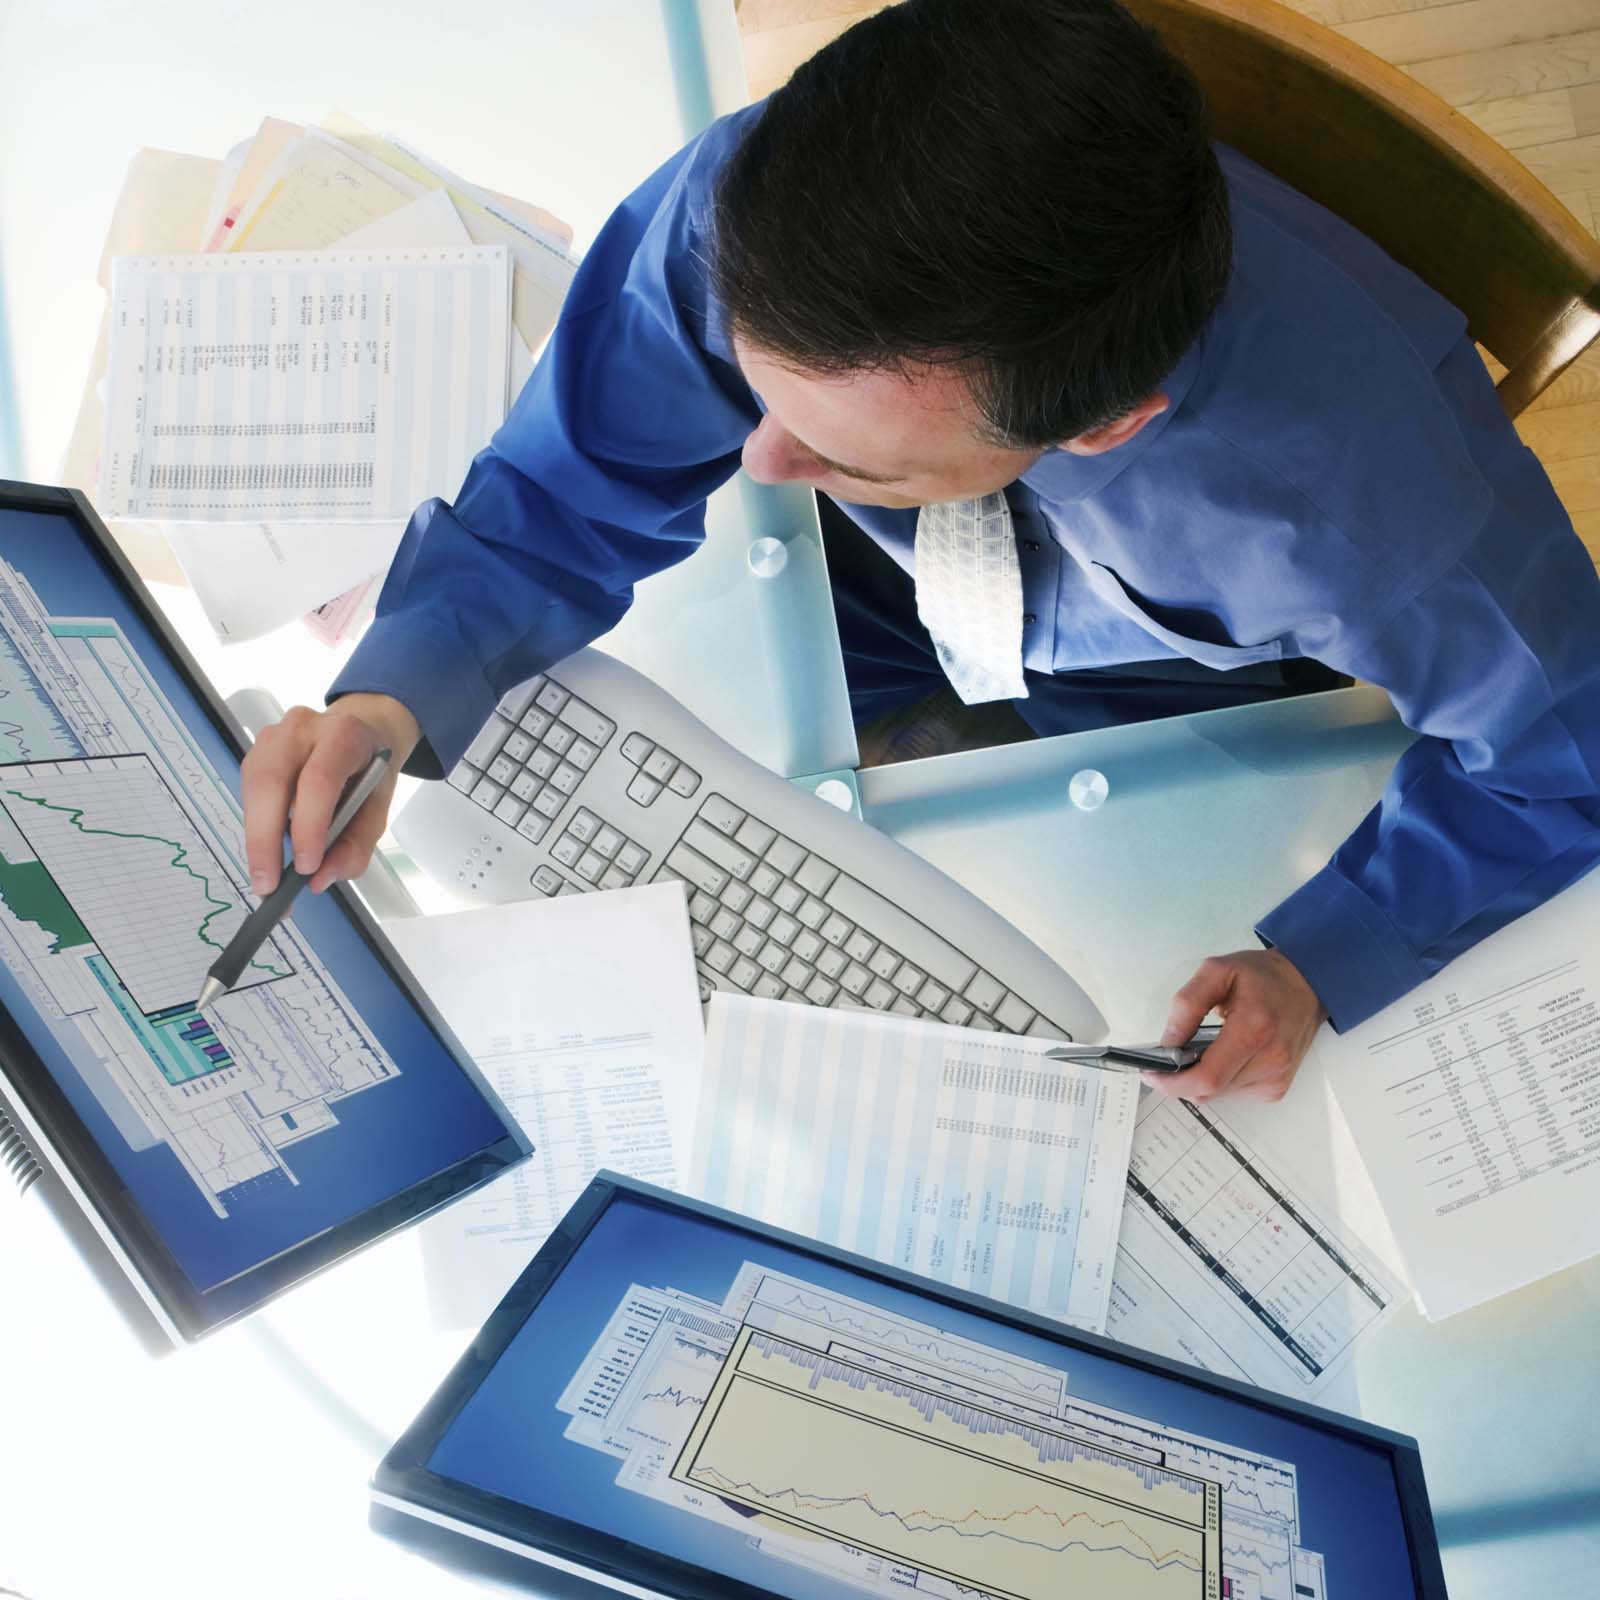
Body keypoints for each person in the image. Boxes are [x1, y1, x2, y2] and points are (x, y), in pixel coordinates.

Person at [240, 0, 1600, 1103]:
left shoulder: (1378, 515)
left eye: (844, 450)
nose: (759, 467)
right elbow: (583, 475)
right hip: (935, 561)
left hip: (1160, 657)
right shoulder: (765, 210)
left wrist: (1325, 957)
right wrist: (390, 692)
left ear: (1110, 424)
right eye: (761, 393)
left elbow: (1563, 764)